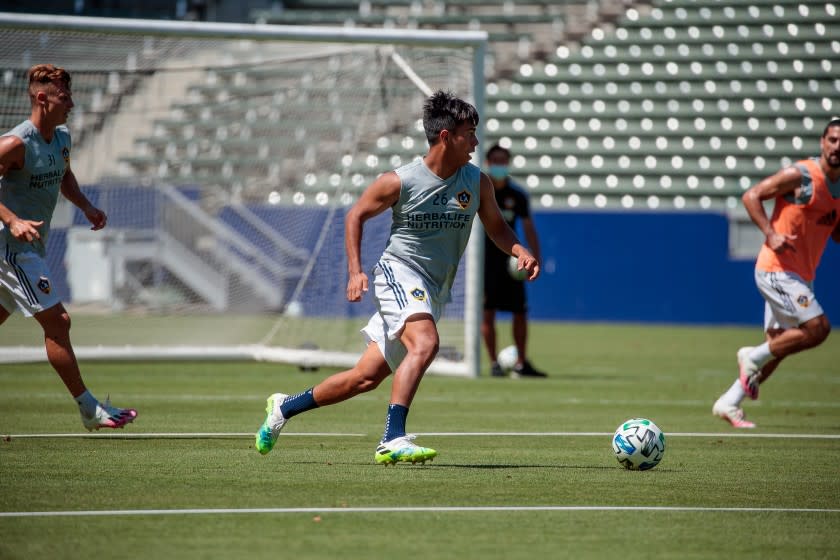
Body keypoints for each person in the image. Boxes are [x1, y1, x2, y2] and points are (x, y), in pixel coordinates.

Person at [255, 90, 539, 464]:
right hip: (398, 274)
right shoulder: (399, 181)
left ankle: (283, 409)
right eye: (469, 132)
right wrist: (355, 271)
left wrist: (519, 249)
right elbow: (355, 215)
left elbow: (497, 228)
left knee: (364, 378)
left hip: (431, 290)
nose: (475, 141)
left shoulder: (477, 182)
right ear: (445, 137)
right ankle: (392, 437)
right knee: (426, 343)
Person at [0, 64, 137, 431]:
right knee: (58, 321)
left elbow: (65, 175)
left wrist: (86, 206)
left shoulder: (61, 138)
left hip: (30, 248)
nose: (72, 103)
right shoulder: (15, 143)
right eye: (65, 97)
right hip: (10, 249)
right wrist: (11, 219)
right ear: (42, 98)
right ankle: (89, 409)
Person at [713, 117, 840, 428]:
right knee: (818, 329)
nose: (838, 147)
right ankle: (751, 356)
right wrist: (770, 233)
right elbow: (751, 195)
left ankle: (729, 401)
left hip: (801, 273)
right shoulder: (802, 175)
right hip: (777, 269)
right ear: (823, 143)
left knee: (778, 346)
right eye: (833, 140)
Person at [481, 144, 547, 378]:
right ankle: (493, 364)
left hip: (513, 262)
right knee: (487, 312)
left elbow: (529, 229)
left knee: (520, 312)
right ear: (487, 163)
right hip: (485, 264)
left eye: (503, 161)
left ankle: (520, 362)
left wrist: (534, 258)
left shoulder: (517, 195)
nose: (500, 165)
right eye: (495, 161)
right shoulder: (480, 191)